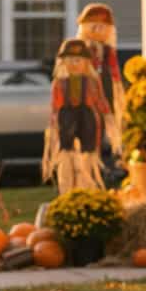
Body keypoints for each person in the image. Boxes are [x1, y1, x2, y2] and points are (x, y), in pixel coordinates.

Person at [43, 39, 109, 193]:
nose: (74, 64)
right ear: (64, 62)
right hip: (66, 115)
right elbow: (55, 106)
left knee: (88, 151)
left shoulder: (92, 81)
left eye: (78, 60)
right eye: (70, 60)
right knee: (66, 151)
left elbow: (100, 99)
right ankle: (67, 187)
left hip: (87, 115)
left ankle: (86, 185)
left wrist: (108, 116)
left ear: (85, 62)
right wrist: (53, 124)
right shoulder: (59, 83)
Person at [76, 3, 124, 155]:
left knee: (104, 119)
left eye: (103, 25)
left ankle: (103, 153)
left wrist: (118, 88)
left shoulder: (108, 50)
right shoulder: (79, 49)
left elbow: (114, 69)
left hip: (105, 86)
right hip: (85, 88)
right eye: (93, 24)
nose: (98, 29)